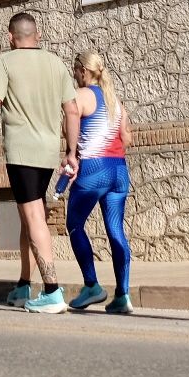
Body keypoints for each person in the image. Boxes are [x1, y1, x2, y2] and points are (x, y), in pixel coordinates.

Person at [0, 12, 73, 313]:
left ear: (10, 37)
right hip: (48, 153)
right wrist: (72, 151)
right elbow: (72, 110)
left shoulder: (6, 62)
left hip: (22, 152)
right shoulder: (56, 63)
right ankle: (24, 284)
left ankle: (52, 291)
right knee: (28, 215)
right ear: (37, 35)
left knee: (34, 215)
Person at [60, 52, 133, 314]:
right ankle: (123, 295)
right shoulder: (115, 100)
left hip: (93, 169)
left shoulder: (81, 96)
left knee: (74, 224)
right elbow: (126, 138)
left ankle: (91, 285)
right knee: (116, 231)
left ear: (82, 71)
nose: (74, 75)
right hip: (119, 171)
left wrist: (71, 153)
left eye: (75, 71)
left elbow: (69, 121)